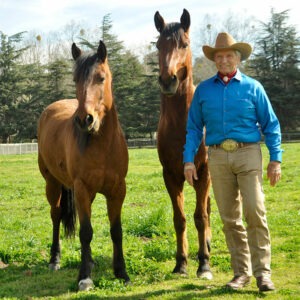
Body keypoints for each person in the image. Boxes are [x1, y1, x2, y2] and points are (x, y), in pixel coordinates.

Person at [183, 32, 282, 292]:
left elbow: (271, 125)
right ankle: (241, 273)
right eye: (219, 56)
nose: (224, 60)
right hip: (216, 156)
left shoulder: (253, 87)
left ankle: (263, 274)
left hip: (248, 153)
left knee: (255, 211)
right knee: (229, 218)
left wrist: (276, 159)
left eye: (229, 55)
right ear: (214, 60)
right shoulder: (203, 90)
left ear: (238, 58)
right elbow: (193, 128)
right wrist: (188, 161)